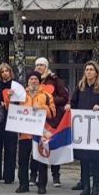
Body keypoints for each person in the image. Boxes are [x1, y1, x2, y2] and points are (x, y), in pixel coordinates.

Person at [69, 61, 99, 195]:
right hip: (83, 128)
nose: (88, 72)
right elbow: (73, 102)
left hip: (97, 128)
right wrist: (69, 106)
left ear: (96, 72)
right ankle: (86, 185)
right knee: (84, 159)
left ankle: (96, 186)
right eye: (87, 69)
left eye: (91, 69)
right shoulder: (81, 87)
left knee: (96, 158)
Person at [18, 71, 55, 194]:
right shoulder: (20, 94)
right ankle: (23, 184)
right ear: (27, 81)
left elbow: (53, 113)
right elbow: (11, 109)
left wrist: (43, 107)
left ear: (39, 81)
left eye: (36, 79)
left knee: (41, 160)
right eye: (31, 79)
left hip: (41, 133)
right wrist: (9, 98)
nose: (33, 81)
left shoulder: (47, 95)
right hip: (24, 133)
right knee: (23, 160)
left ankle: (42, 185)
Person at [34, 58, 67, 187]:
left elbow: (64, 97)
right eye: (37, 65)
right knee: (37, 146)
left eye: (41, 65)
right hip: (36, 119)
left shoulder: (55, 80)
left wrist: (50, 100)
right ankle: (34, 175)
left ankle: (56, 175)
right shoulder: (33, 79)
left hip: (52, 118)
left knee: (52, 146)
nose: (39, 67)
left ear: (47, 66)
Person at [0, 63, 17, 184]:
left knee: (11, 148)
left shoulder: (15, 85)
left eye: (7, 71)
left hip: (12, 119)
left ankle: (9, 176)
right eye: (2, 71)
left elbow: (21, 100)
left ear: (10, 72)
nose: (5, 73)